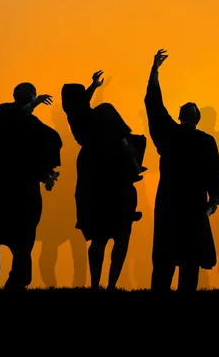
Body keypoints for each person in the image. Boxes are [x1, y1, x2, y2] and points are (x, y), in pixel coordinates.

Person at [145, 49, 219, 291]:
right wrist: (213, 201)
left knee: (164, 258)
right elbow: (215, 173)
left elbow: (154, 106)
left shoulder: (169, 135)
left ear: (180, 116)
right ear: (198, 118)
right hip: (193, 204)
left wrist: (154, 72)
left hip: (169, 202)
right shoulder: (205, 141)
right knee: (189, 261)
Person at [62, 71, 146, 290]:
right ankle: (108, 285)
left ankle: (97, 284)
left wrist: (93, 86)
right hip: (111, 181)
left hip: (100, 183)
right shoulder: (97, 119)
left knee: (101, 239)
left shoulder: (79, 119)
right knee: (118, 237)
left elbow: (80, 105)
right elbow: (84, 107)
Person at [0, 83, 62, 290]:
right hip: (7, 190)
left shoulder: (35, 126)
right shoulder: (4, 112)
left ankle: (17, 282)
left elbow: (41, 149)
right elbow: (15, 123)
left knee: (22, 244)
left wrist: (47, 175)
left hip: (19, 191)